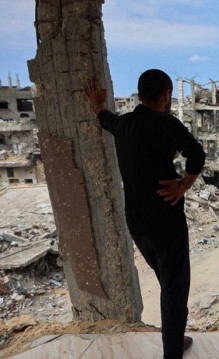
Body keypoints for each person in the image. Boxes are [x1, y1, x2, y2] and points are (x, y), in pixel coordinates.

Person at [84, 70, 205, 359]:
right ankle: (172, 352)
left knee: (168, 284)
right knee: (175, 293)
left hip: (137, 226)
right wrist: (183, 186)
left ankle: (174, 339)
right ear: (166, 95)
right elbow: (197, 154)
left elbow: (106, 119)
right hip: (166, 224)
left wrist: (98, 105)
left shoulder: (123, 124)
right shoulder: (166, 124)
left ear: (139, 96)